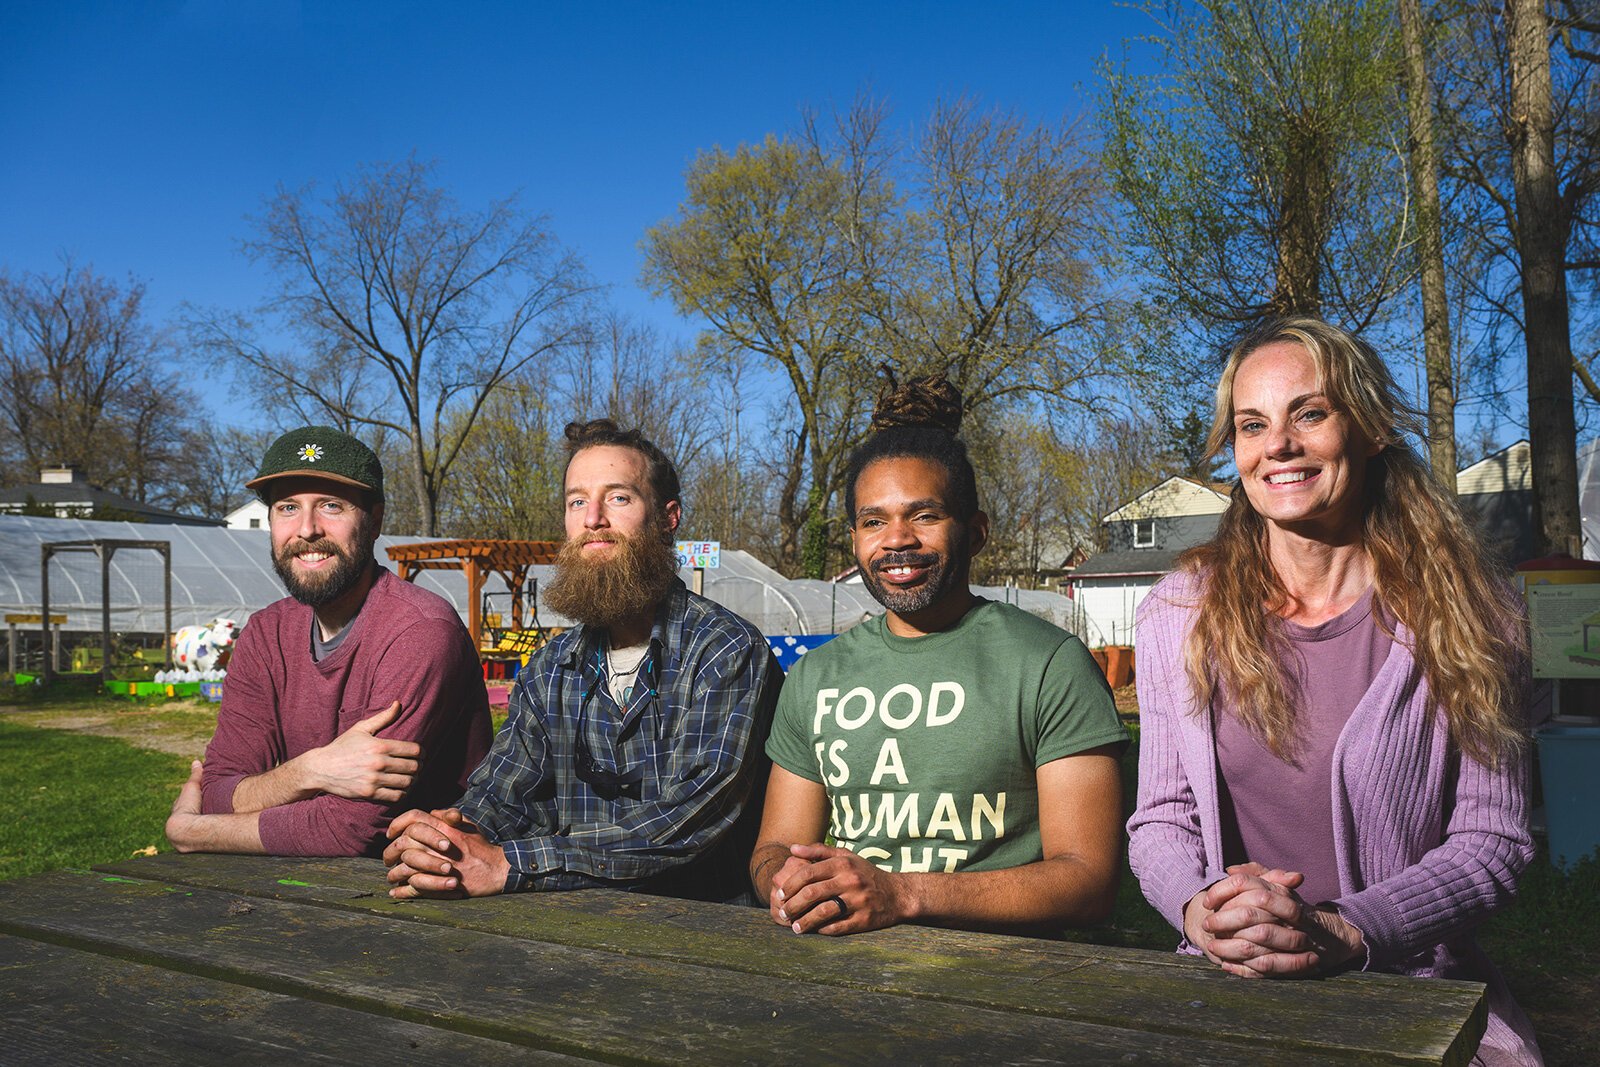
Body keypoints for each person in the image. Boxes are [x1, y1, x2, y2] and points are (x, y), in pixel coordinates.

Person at [1128, 317, 1541, 1065]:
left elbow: (1493, 841)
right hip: (1226, 995)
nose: (1277, 444)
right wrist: (1200, 911)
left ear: (1372, 427)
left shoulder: (1475, 613)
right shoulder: (1177, 615)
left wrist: (1351, 928)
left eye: (1309, 413)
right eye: (1252, 425)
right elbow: (1160, 819)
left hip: (1410, 995)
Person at [751, 375, 1128, 936]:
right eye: (873, 521)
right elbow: (774, 847)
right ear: (854, 538)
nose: (897, 539)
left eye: (924, 516)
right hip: (839, 974)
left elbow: (1089, 879)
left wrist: (901, 893)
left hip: (1001, 985)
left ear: (974, 533)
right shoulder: (814, 676)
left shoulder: (1050, 664)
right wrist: (786, 883)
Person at [383, 419, 780, 901]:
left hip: (704, 932)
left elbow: (685, 822)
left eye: (618, 497)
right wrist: (449, 834)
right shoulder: (551, 666)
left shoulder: (725, 651)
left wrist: (512, 863)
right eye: (577, 501)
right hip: (570, 930)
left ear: (668, 516)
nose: (592, 519)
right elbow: (506, 796)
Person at [165, 426, 492, 856]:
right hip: (295, 882)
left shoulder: (419, 631)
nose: (307, 529)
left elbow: (352, 827)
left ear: (374, 522)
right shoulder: (265, 634)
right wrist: (311, 771)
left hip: (428, 890)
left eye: (331, 506)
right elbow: (218, 789)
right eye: (287, 508)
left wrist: (195, 831)